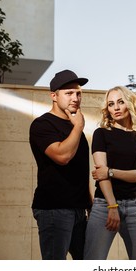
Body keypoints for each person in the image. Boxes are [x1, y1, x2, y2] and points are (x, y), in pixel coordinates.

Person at [84, 85, 136, 260]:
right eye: (111, 104)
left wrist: (111, 172)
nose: (115, 107)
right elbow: (101, 174)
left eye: (120, 102)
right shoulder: (101, 134)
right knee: (93, 262)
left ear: (129, 104)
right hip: (104, 205)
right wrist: (112, 206)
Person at [29, 69, 92, 260]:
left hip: (79, 211)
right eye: (69, 93)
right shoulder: (42, 124)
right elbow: (62, 156)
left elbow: (81, 173)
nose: (75, 98)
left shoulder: (75, 129)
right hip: (54, 209)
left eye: (78, 93)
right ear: (54, 96)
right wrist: (79, 126)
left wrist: (89, 205)